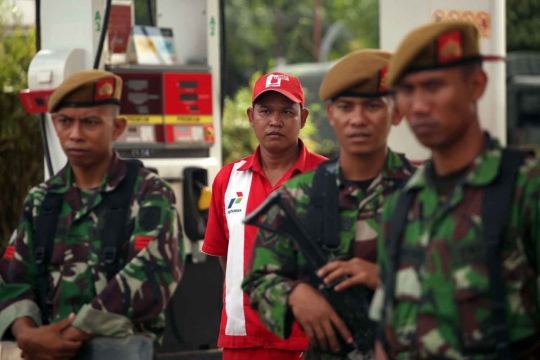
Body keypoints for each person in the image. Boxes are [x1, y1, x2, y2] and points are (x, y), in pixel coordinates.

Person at [369, 21, 540, 359]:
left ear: (476, 85)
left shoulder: (525, 188)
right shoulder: (402, 204)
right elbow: (387, 334)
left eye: (433, 87)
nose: (418, 106)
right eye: (406, 90)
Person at [241, 49, 415, 360]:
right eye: (346, 107)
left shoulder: (429, 195)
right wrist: (295, 295)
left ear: (397, 113)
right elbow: (258, 281)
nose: (358, 119)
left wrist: (390, 280)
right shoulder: (299, 197)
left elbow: (476, 285)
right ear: (331, 114)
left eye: (373, 106)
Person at [0, 69, 184, 359]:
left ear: (118, 128)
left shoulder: (150, 195)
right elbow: (14, 278)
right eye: (65, 122)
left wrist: (63, 338)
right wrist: (27, 334)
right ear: (54, 124)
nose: (75, 134)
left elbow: (153, 274)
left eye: (90, 123)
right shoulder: (41, 201)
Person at [202, 72, 327, 360]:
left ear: (303, 117)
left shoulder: (329, 179)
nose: (275, 121)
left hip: (308, 338)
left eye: (286, 111)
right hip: (241, 338)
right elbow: (225, 255)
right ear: (250, 116)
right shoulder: (228, 179)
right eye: (265, 111)